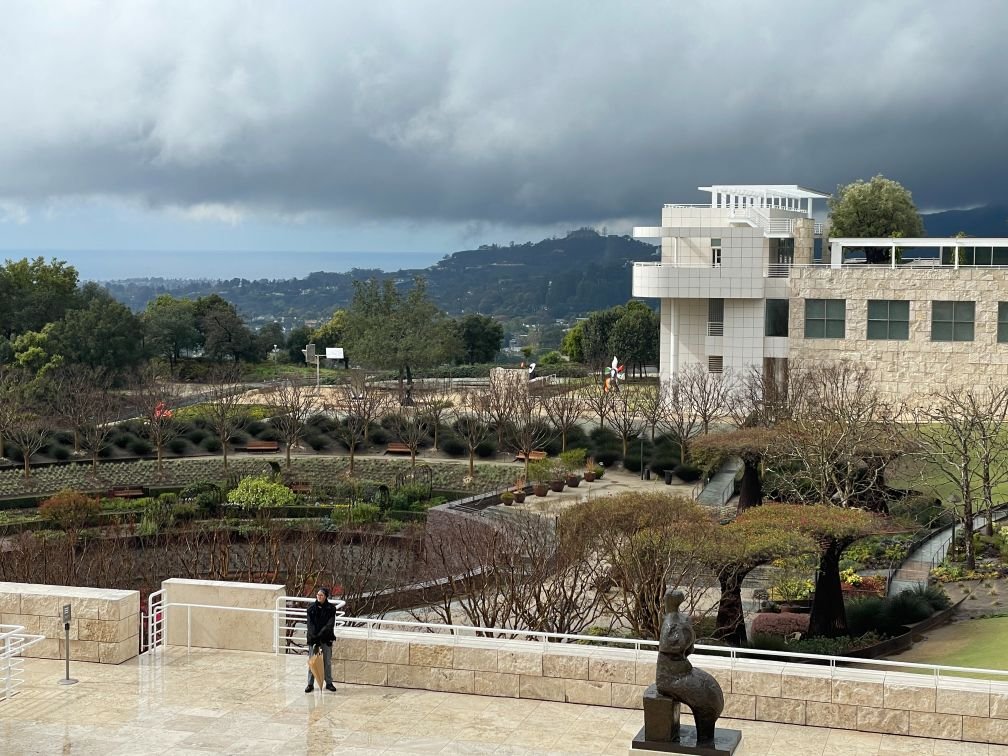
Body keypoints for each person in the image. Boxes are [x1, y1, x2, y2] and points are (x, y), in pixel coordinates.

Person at [305, 587, 338, 692]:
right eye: (318, 595)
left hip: (326, 638)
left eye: (321, 595)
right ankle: (310, 684)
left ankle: (328, 683)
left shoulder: (331, 609)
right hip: (314, 639)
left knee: (327, 662)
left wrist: (320, 635)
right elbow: (310, 625)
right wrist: (315, 637)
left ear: (325, 597)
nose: (319, 597)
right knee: (313, 662)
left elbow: (329, 625)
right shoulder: (311, 609)